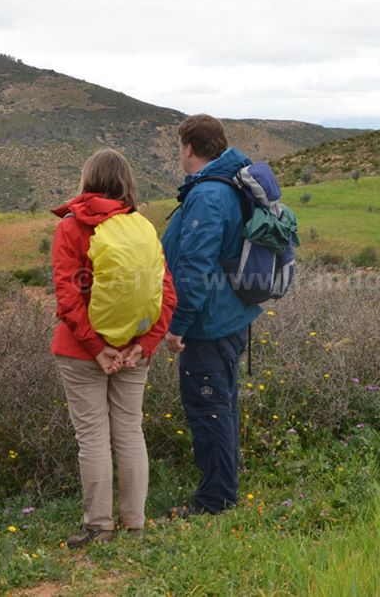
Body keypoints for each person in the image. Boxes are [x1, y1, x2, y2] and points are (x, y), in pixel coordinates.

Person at [51, 148, 176, 547]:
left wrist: (95, 346)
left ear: (88, 181)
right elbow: (166, 293)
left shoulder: (71, 228)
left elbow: (67, 295)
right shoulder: (142, 228)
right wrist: (145, 344)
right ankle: (135, 524)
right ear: (127, 183)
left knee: (92, 436)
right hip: (134, 349)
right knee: (129, 431)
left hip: (80, 350)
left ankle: (98, 527)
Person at [161, 114, 262, 516]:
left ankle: (215, 501)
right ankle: (222, 487)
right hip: (231, 314)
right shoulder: (229, 183)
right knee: (222, 403)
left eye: (179, 146)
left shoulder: (208, 195)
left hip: (208, 322)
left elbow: (195, 267)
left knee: (209, 407)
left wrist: (177, 324)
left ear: (189, 147)